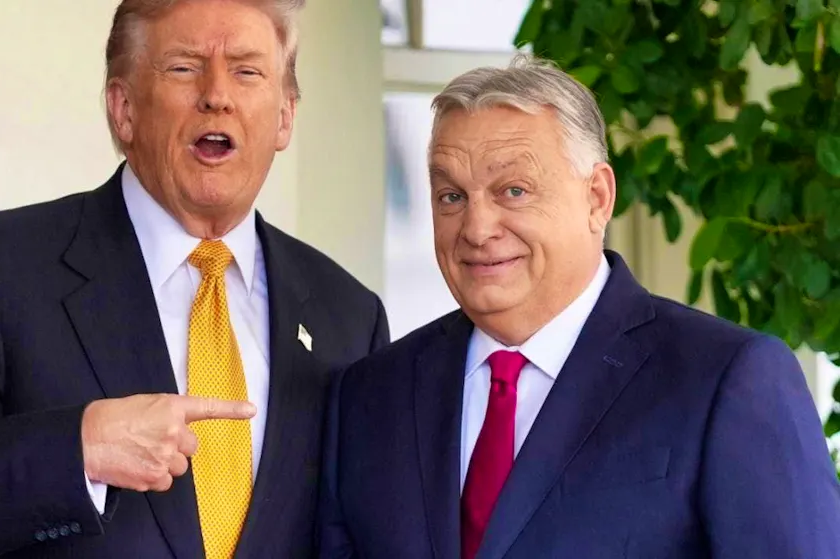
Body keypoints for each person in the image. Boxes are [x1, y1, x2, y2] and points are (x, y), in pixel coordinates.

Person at [0, 0, 390, 557]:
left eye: (247, 71)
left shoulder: (349, 317)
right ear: (123, 108)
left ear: (285, 116)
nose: (217, 95)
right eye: (184, 67)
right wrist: (78, 451)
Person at [318, 54, 840, 559]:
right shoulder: (371, 394)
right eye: (452, 196)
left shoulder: (726, 378)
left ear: (597, 198)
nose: (476, 229)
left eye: (513, 190)